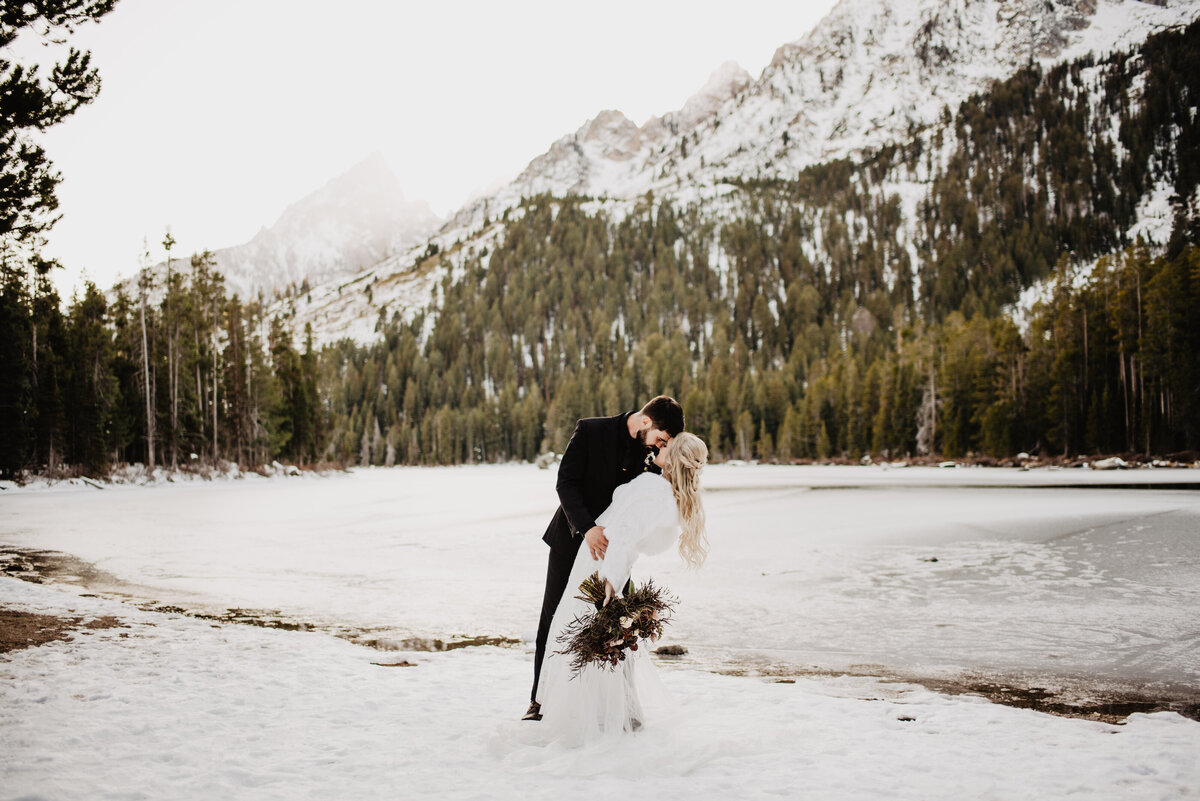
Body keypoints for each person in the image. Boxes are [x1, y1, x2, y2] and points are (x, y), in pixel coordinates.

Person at [534, 432, 709, 745]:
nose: (660, 446)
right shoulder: (664, 492)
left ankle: (596, 717)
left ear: (673, 457)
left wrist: (610, 584)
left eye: (667, 446)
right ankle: (613, 713)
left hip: (602, 561)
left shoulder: (654, 490)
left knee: (592, 635)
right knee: (603, 641)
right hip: (607, 560)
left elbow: (624, 535)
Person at [524, 396, 684, 722]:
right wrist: (587, 528)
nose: (659, 447)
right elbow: (565, 483)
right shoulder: (591, 430)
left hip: (616, 551)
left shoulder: (650, 454)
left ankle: (625, 705)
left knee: (619, 622)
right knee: (554, 616)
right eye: (660, 439)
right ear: (645, 422)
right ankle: (538, 701)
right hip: (572, 539)